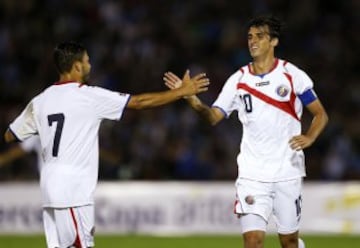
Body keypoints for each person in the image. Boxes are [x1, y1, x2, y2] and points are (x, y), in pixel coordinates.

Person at [4, 41, 209, 248]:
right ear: (76, 67)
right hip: (72, 190)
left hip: (49, 187)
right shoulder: (88, 96)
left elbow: (10, 135)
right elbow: (138, 102)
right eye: (87, 61)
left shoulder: (40, 101)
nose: (90, 65)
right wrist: (181, 92)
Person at [164, 15, 328, 248]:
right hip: (252, 174)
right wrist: (190, 98)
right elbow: (213, 116)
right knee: (253, 242)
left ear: (273, 42)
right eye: (250, 37)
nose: (252, 41)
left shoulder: (292, 75)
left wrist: (311, 136)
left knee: (289, 242)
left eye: (259, 37)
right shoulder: (238, 80)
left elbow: (320, 113)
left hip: (287, 170)